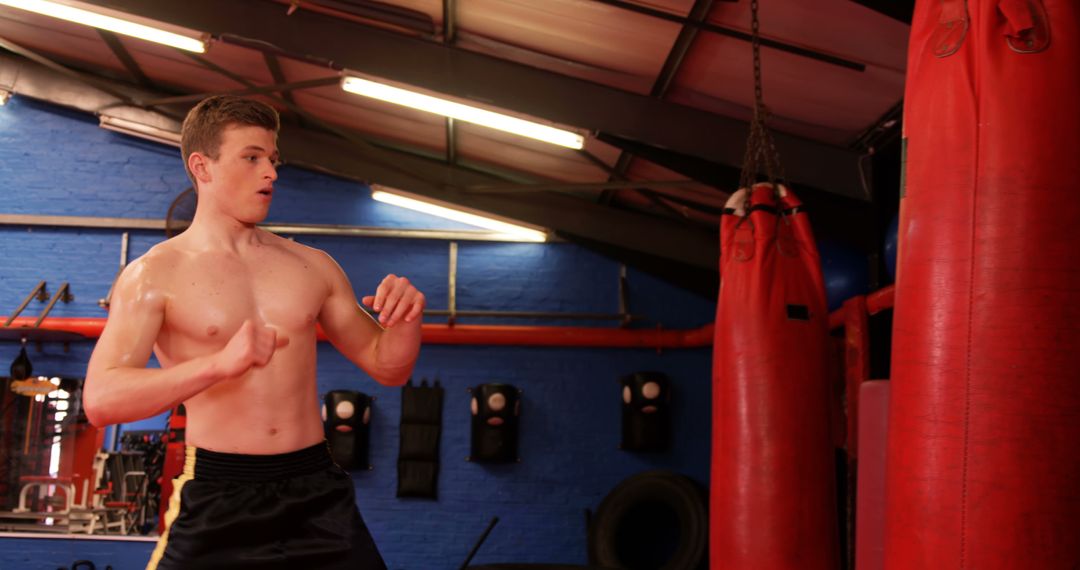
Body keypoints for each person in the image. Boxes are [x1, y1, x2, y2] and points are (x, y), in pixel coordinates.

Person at [83, 95, 424, 569]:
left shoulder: (312, 266)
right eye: (252, 158)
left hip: (316, 490)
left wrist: (406, 324)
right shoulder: (153, 276)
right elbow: (102, 401)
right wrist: (219, 364)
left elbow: (388, 365)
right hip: (219, 493)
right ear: (202, 166)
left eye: (273, 159)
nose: (271, 173)